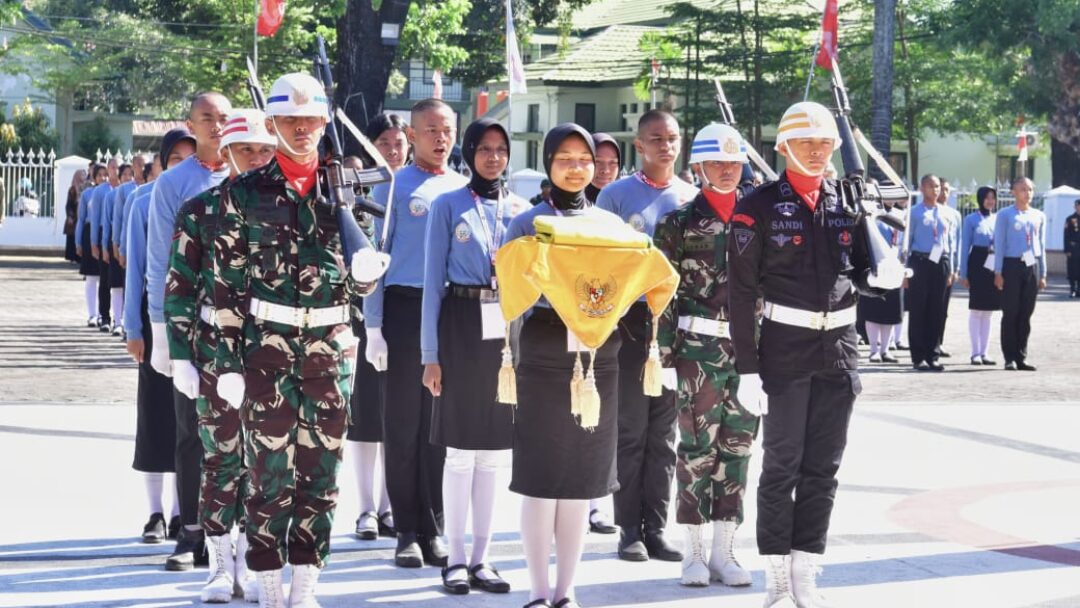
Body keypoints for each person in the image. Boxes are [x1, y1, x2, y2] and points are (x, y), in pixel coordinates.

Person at [211, 72, 389, 606]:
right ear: (272, 124)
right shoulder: (243, 192)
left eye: (312, 119)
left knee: (322, 475)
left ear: (324, 122)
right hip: (266, 350)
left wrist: (367, 271)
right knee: (267, 479)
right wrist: (228, 365)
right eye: (291, 120)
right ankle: (268, 585)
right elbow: (225, 286)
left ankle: (306, 585)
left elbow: (362, 276)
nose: (304, 128)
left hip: (330, 351)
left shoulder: (349, 188)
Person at [728, 101, 892, 608]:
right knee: (782, 467)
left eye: (825, 144)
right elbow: (739, 293)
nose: (818, 152)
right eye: (806, 143)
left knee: (824, 468)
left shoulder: (847, 202)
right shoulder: (755, 207)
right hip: (784, 351)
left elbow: (863, 272)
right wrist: (747, 369)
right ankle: (777, 578)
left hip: (840, 350)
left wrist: (883, 270)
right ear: (783, 148)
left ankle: (806, 572)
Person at [500, 123, 632, 608]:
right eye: (565, 158)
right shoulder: (526, 223)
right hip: (542, 353)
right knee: (540, 475)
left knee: (582, 477)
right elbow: (511, 294)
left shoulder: (611, 225)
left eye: (584, 159)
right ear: (548, 161)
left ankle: (565, 589)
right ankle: (537, 591)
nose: (576, 168)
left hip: (598, 358)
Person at [164, 109, 276, 602]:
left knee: (264, 462)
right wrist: (181, 357)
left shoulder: (287, 208)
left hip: (272, 352)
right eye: (246, 149)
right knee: (220, 459)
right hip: (214, 351)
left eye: (264, 150)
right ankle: (217, 565)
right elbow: (180, 288)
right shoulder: (198, 209)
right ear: (225, 153)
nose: (256, 158)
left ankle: (251, 563)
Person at [421, 117, 524, 595]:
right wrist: (430, 354)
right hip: (459, 328)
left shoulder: (523, 211)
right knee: (460, 453)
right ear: (469, 152)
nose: (493, 157)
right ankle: (455, 558)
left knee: (495, 456)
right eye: (484, 148)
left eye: (501, 149)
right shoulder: (448, 206)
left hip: (507, 334)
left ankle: (484, 558)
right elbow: (430, 287)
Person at [653, 123, 758, 587]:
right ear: (699, 167)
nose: (727, 170)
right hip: (697, 352)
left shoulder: (759, 218)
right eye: (717, 162)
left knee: (738, 449)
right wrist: (664, 354)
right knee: (695, 451)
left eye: (734, 162)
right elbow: (662, 293)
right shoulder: (677, 223)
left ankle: (725, 552)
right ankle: (693, 553)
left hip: (749, 353)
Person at [364, 98, 467, 569]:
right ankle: (406, 527)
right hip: (405, 311)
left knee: (440, 427)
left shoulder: (464, 188)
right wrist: (374, 325)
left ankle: (435, 526)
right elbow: (375, 262)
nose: (440, 138)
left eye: (447, 129)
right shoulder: (393, 187)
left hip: (449, 313)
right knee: (403, 424)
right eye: (430, 130)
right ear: (412, 133)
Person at [596, 109, 696, 563]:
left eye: (672, 138)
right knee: (631, 430)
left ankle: (657, 528)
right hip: (631, 324)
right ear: (639, 145)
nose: (665, 146)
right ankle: (628, 529)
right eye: (656, 138)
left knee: (665, 434)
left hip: (676, 326)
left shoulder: (693, 197)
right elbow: (598, 265)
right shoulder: (615, 197)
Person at [147, 91, 233, 571]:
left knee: (240, 433)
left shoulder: (252, 174)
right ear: (190, 124)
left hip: (243, 324)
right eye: (207, 119)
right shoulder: (175, 183)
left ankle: (232, 533)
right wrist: (161, 330)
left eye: (224, 118)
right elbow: (160, 257)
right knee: (190, 431)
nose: (217, 126)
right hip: (192, 321)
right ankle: (191, 532)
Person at [124, 128, 196, 548]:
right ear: (162, 163)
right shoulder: (144, 201)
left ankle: (178, 513)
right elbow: (137, 269)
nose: (183, 166)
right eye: (175, 159)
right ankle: (154, 512)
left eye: (191, 158)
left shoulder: (210, 199)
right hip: (158, 324)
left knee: (188, 423)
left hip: (197, 324)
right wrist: (135, 329)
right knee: (155, 418)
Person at [346, 113, 409, 542]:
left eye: (398, 141)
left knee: (398, 423)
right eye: (383, 142)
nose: (392, 149)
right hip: (365, 315)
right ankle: (366, 507)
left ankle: (391, 507)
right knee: (366, 420)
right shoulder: (358, 190)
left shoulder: (422, 189)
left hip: (407, 317)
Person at [582, 131, 621, 535]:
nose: (605, 169)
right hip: (572, 322)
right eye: (600, 162)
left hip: (613, 320)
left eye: (612, 163)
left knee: (607, 414)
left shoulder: (616, 209)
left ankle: (600, 501)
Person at [993, 177, 1046, 371]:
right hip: (1011, 265)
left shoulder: (1038, 215)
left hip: (1031, 266)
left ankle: (1021, 356)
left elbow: (1042, 245)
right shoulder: (1005, 215)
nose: (1027, 193)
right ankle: (1009, 357)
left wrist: (1043, 273)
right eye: (1023, 189)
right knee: (1011, 312)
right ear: (1013, 192)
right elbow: (999, 245)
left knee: (1026, 313)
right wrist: (998, 271)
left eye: (1030, 189)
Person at [904, 174, 951, 371]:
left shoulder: (946, 213)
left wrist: (951, 269)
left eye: (938, 186)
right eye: (931, 186)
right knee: (918, 309)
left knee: (937, 310)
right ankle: (918, 356)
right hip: (919, 262)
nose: (936, 190)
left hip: (940, 262)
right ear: (922, 188)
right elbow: (906, 242)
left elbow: (950, 242)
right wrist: (904, 271)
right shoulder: (914, 212)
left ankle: (933, 354)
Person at [959, 186, 1001, 365]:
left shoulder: (999, 219)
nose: (990, 201)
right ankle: (975, 352)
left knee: (989, 311)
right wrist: (963, 272)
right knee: (976, 309)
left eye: (993, 198)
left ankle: (985, 352)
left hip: (993, 264)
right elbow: (964, 246)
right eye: (987, 198)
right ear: (980, 199)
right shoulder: (971, 219)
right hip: (977, 264)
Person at [859, 213, 904, 364]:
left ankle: (885, 350)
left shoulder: (900, 217)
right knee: (873, 310)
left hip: (895, 267)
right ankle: (873, 350)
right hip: (876, 267)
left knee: (890, 313)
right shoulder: (873, 216)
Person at [91, 157, 120, 333]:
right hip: (105, 235)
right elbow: (95, 219)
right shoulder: (101, 192)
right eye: (112, 167)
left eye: (118, 167)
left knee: (119, 280)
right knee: (105, 279)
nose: (115, 171)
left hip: (120, 236)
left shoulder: (126, 189)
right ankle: (104, 316)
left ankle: (120, 317)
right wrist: (95, 243)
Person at [77, 164, 106, 327]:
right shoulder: (87, 194)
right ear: (94, 178)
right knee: (91, 277)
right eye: (100, 175)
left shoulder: (112, 192)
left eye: (105, 175)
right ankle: (92, 314)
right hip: (90, 235)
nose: (103, 178)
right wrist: (78, 242)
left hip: (106, 233)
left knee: (106, 278)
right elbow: (81, 219)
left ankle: (104, 313)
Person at [934, 179, 961, 358]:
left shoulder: (954, 214)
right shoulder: (928, 211)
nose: (944, 193)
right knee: (928, 306)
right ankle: (926, 343)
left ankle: (938, 342)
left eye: (947, 190)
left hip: (946, 262)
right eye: (942, 189)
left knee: (942, 308)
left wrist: (956, 268)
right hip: (928, 262)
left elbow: (957, 242)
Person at [64, 169, 86, 262]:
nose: (84, 176)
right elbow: (69, 204)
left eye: (84, 174)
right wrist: (70, 215)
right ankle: (72, 257)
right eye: (82, 174)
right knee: (72, 237)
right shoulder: (72, 189)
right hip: (74, 217)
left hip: (82, 216)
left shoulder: (87, 187)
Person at [1064, 199, 1080, 298]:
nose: (1078, 207)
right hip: (1073, 248)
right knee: (1072, 269)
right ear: (1075, 207)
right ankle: (1072, 289)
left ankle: (1079, 290)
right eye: (1077, 205)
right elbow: (1066, 235)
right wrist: (1067, 250)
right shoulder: (1070, 219)